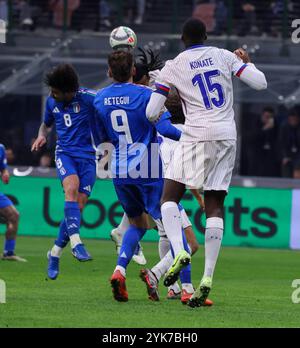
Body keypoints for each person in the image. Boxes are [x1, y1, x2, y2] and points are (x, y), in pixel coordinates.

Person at [146, 18, 267, 307]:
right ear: (206, 36)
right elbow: (261, 83)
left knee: (169, 199)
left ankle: (178, 252)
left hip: (196, 136)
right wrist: (247, 64)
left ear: (182, 38)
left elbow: (152, 113)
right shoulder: (224, 56)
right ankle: (207, 277)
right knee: (215, 205)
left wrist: (165, 90)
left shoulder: (173, 66)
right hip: (227, 137)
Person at [94, 50, 191, 302]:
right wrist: (193, 138)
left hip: (119, 170)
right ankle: (185, 290)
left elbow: (101, 139)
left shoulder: (99, 99)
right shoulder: (148, 95)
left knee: (138, 225)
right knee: (174, 227)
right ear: (134, 72)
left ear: (108, 71)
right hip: (148, 168)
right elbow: (167, 129)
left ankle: (119, 271)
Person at [31, 64, 97, 280]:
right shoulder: (52, 102)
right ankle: (77, 243)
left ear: (69, 91)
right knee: (71, 188)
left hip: (88, 158)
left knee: (77, 207)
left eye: (56, 91)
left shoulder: (89, 98)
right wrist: (42, 135)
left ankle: (55, 253)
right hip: (65, 154)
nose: (52, 94)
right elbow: (45, 125)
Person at [0, 143, 26, 262]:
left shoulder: (1, 148)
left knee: (14, 215)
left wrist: (4, 172)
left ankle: (8, 253)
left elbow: (2, 167)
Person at [279, 110, 300, 178]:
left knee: (297, 175)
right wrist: (285, 156)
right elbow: (281, 144)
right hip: (287, 157)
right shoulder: (284, 127)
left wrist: (297, 165)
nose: (293, 121)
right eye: (291, 119)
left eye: (295, 119)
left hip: (298, 156)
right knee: (286, 175)